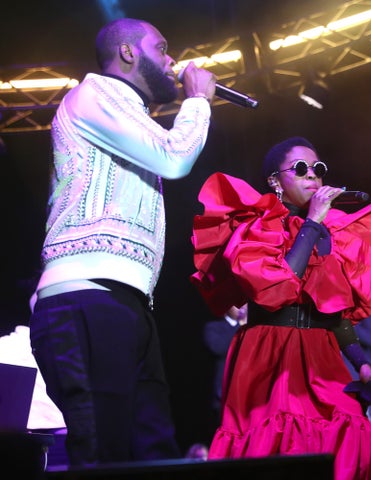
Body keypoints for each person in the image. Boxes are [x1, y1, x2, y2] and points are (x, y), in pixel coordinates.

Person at [29, 18, 216, 466]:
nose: (172, 60)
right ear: (129, 53)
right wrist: (198, 103)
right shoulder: (94, 94)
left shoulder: (132, 116)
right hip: (84, 297)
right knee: (102, 450)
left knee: (152, 452)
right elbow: (175, 158)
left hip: (125, 301)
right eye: (162, 48)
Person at [190, 136, 371, 479]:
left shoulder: (330, 232)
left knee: (351, 429)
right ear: (275, 180)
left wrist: (362, 364)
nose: (312, 176)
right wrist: (313, 222)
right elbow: (277, 287)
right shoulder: (258, 225)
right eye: (300, 169)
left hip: (320, 353)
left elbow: (334, 311)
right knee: (281, 443)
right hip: (271, 352)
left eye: (318, 169)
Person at [341, 311, 371, 436]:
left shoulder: (363, 299)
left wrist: (341, 325)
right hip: (335, 372)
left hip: (359, 373)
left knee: (370, 428)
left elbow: (370, 337)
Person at [203, 304, 247, 420]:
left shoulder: (252, 329)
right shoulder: (213, 327)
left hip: (245, 391)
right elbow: (218, 348)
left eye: (244, 304)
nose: (242, 307)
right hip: (223, 392)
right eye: (237, 304)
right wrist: (241, 326)